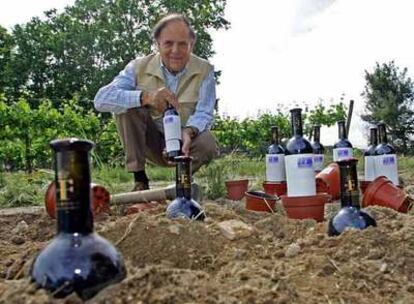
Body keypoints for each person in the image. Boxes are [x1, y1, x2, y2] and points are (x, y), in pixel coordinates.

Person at [94, 13, 219, 191]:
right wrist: (146, 97)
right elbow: (101, 99)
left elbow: (205, 112)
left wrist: (189, 132)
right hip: (150, 141)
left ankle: (182, 181)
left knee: (207, 142)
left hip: (185, 144)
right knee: (128, 105)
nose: (175, 51)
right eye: (168, 43)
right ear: (157, 44)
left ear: (191, 45)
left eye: (182, 44)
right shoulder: (137, 67)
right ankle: (140, 180)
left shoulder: (205, 70)